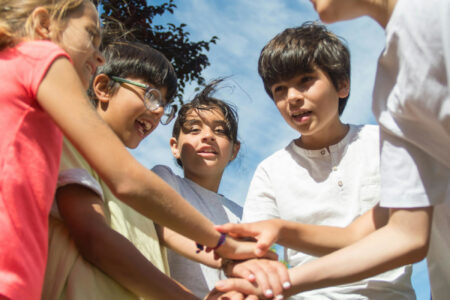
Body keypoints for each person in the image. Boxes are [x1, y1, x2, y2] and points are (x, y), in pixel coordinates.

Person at [0, 1, 260, 299]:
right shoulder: (71, 139)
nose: (98, 55)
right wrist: (223, 243)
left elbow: (168, 231)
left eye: (164, 104)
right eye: (89, 35)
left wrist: (233, 258)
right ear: (103, 88)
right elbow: (101, 229)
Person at [216, 0, 450, 299]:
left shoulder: (385, 139)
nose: (293, 98)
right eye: (280, 90)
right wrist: (256, 268)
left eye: (305, 81)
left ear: (342, 85)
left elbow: (404, 236)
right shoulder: (271, 171)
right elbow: (385, 234)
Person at [152, 79, 290, 300]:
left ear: (234, 150)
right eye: (194, 129)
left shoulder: (246, 216)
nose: (208, 136)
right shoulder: (167, 181)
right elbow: (162, 225)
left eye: (220, 131)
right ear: (175, 147)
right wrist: (226, 255)